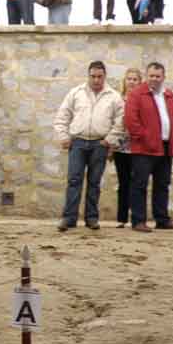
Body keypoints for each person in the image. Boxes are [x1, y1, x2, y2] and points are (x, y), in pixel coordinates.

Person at [53, 61, 124, 231]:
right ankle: (69, 218)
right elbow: (62, 116)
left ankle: (91, 218)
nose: (96, 80)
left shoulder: (113, 96)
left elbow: (121, 121)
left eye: (100, 76)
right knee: (74, 180)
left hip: (99, 144)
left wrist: (109, 140)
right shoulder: (76, 93)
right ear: (88, 75)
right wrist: (63, 136)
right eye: (93, 76)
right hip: (77, 142)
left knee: (94, 182)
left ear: (104, 76)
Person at [124, 61, 173, 232]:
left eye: (158, 76)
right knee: (140, 184)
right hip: (143, 148)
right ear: (146, 76)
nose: (154, 79)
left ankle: (162, 219)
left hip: (165, 147)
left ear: (163, 77)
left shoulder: (170, 95)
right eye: (151, 76)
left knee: (162, 184)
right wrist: (144, 137)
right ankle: (138, 221)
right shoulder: (137, 94)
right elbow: (131, 120)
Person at [112, 68, 143, 227]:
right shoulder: (117, 100)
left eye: (135, 79)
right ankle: (122, 218)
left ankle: (137, 217)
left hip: (138, 147)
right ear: (124, 81)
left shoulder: (143, 100)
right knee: (123, 182)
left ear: (140, 81)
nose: (131, 82)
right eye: (129, 79)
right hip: (120, 147)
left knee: (137, 183)